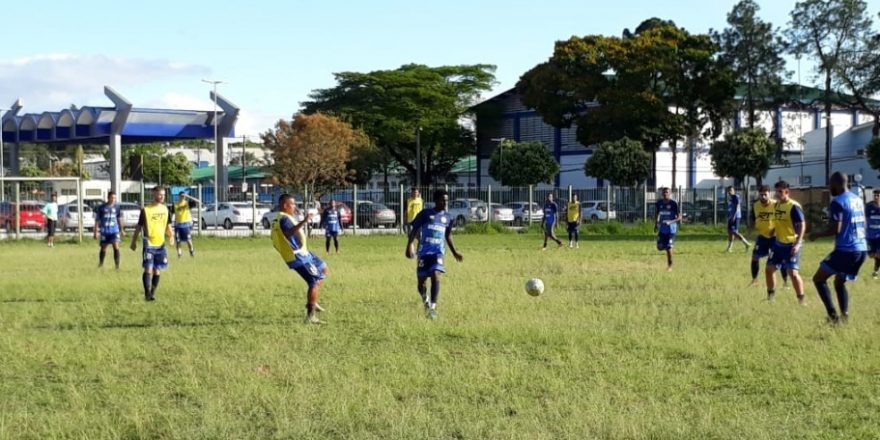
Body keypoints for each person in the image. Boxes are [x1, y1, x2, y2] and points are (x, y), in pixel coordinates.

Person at [809, 172, 867, 323]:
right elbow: (837, 220)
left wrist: (817, 234)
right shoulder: (857, 200)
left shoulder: (838, 202)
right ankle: (844, 316)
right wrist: (823, 215)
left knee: (818, 279)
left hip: (846, 251)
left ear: (835, 184)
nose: (829, 188)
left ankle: (833, 317)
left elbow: (836, 228)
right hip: (861, 249)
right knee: (839, 282)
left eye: (830, 184)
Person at [405, 189, 463, 320]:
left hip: (438, 253)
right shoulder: (425, 214)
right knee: (421, 283)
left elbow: (448, 235)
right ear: (436, 200)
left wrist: (454, 252)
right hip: (424, 253)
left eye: (446, 200)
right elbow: (414, 229)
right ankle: (425, 301)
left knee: (436, 274)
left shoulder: (448, 217)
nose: (445, 203)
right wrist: (409, 245)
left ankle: (433, 308)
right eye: (442, 200)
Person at [271, 194, 328, 324]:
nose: (295, 206)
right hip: (298, 256)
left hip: (304, 252)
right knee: (314, 281)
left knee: (323, 267)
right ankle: (310, 316)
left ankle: (313, 300)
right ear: (285, 205)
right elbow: (288, 233)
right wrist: (304, 221)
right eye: (293, 204)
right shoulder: (284, 218)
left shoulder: (280, 217)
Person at [130, 186, 174, 301]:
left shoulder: (165, 210)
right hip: (149, 243)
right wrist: (134, 241)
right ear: (154, 194)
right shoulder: (146, 210)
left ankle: (152, 293)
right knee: (148, 268)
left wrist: (171, 236)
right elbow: (139, 227)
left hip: (161, 244)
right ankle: (147, 293)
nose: (162, 197)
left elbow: (168, 225)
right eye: (160, 194)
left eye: (163, 195)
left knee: (157, 270)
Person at [765, 180, 806, 304]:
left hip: (791, 244)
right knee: (769, 269)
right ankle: (770, 298)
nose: (777, 194)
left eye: (780, 191)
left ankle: (801, 301)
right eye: (776, 191)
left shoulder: (793, 206)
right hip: (778, 244)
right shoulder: (776, 205)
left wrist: (798, 243)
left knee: (793, 273)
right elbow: (778, 221)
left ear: (787, 192)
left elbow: (802, 225)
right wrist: (773, 230)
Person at [749, 185, 788, 287]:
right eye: (761, 194)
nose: (763, 197)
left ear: (770, 194)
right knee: (755, 257)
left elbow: (782, 220)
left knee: (781, 259)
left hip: (775, 237)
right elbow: (753, 218)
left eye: (765, 194)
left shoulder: (776, 205)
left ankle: (786, 282)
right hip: (762, 236)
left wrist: (775, 230)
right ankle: (754, 280)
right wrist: (750, 230)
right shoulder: (755, 205)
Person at [93, 191, 124, 269]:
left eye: (114, 198)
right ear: (108, 198)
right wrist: (95, 232)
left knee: (116, 246)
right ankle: (101, 264)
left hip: (114, 231)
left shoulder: (117, 207)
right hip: (105, 231)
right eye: (112, 198)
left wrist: (122, 229)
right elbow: (97, 220)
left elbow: (119, 218)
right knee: (104, 247)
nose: (113, 199)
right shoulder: (102, 207)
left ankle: (117, 266)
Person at [655, 187, 681, 271]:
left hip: (671, 230)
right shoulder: (659, 203)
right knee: (659, 247)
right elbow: (658, 213)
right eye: (664, 192)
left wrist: (670, 222)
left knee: (669, 248)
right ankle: (667, 247)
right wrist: (656, 223)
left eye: (667, 192)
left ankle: (670, 266)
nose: (665, 194)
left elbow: (679, 217)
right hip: (662, 229)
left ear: (670, 193)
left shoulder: (673, 203)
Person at [172, 191, 200, 258]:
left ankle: (191, 252)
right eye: (181, 196)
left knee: (188, 240)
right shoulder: (175, 204)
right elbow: (172, 213)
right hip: (178, 225)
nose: (182, 197)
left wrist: (188, 196)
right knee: (178, 241)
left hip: (186, 224)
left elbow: (198, 201)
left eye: (183, 196)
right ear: (179, 196)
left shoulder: (187, 203)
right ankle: (179, 254)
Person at [726, 186, 751, 252]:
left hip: (736, 216)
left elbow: (737, 206)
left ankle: (746, 243)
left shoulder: (735, 196)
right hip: (731, 216)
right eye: (728, 190)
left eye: (731, 190)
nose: (729, 192)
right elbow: (730, 207)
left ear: (734, 191)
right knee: (730, 232)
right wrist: (729, 215)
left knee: (734, 232)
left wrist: (734, 216)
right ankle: (729, 248)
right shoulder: (730, 198)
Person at [865, 189, 880, 278]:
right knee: (871, 255)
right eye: (875, 195)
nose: (876, 197)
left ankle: (875, 271)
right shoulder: (869, 207)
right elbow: (865, 219)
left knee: (879, 254)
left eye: (878, 195)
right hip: (870, 235)